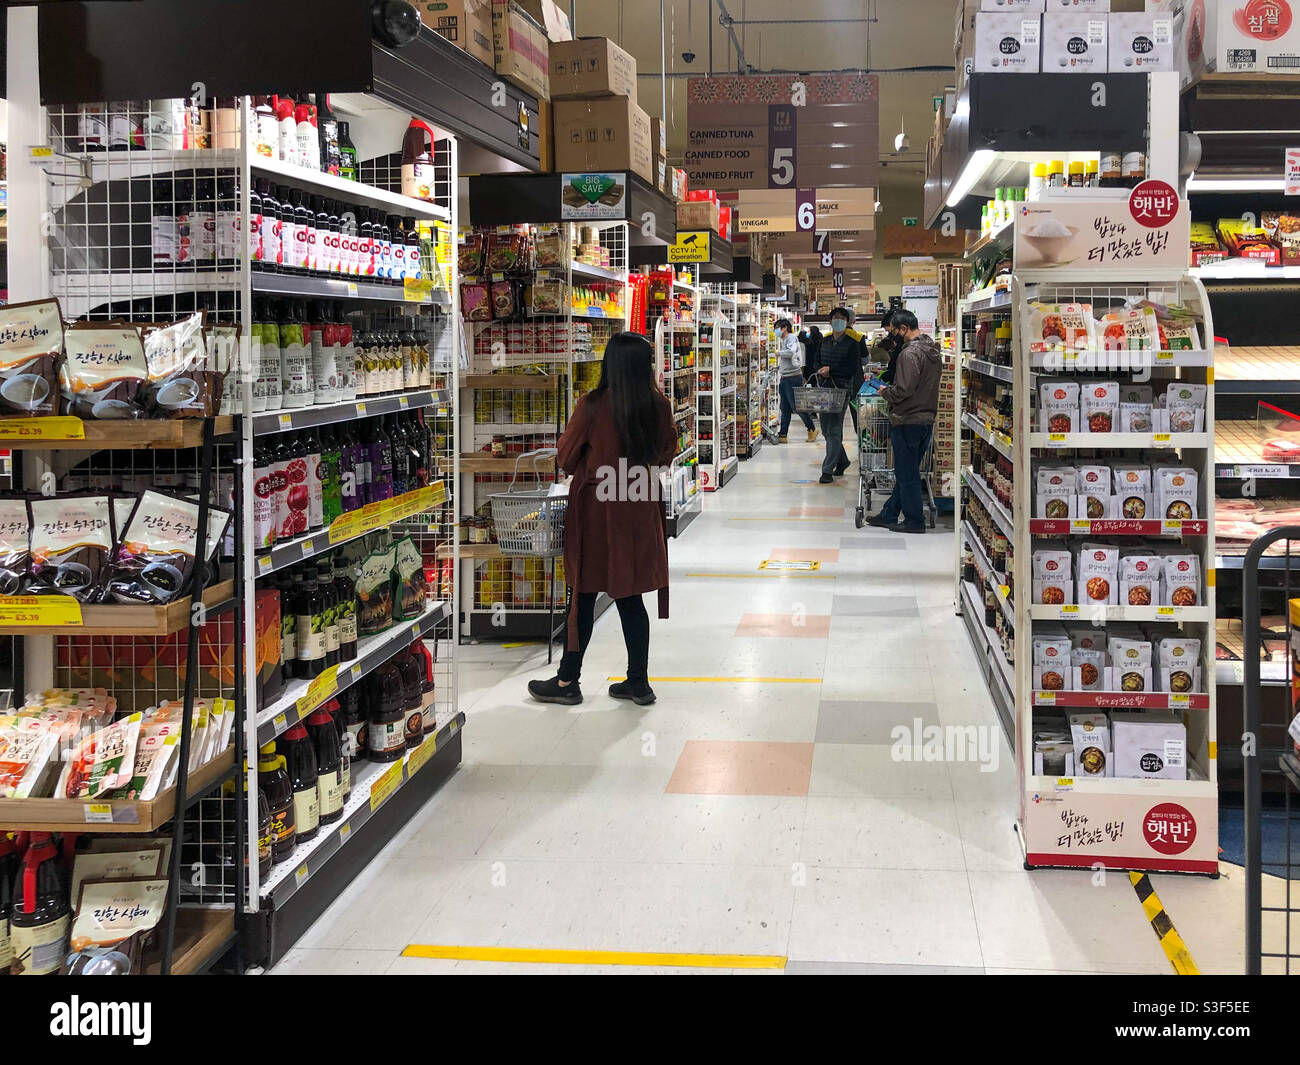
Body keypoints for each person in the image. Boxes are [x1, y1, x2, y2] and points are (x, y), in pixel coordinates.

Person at [527, 332, 678, 707]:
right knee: (630, 596)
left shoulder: (593, 405)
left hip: (598, 507)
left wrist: (593, 468)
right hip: (639, 501)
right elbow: (666, 453)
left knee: (584, 592)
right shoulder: (658, 405)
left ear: (609, 364)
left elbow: (565, 455)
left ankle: (567, 681)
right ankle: (639, 683)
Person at [866, 309, 942, 533]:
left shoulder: (909, 354)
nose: (892, 337)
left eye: (893, 332)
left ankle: (914, 521)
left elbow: (904, 390)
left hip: (908, 418)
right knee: (907, 472)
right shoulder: (932, 351)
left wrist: (885, 391)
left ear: (904, 329)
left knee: (906, 474)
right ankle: (889, 513)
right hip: (926, 418)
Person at [814, 306, 866, 484]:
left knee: (835, 428)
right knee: (826, 428)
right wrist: (819, 369)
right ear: (829, 321)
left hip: (843, 389)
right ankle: (842, 460)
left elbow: (853, 367)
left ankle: (827, 470)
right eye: (835, 318)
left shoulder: (852, 342)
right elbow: (816, 360)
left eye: (842, 319)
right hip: (824, 389)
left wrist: (832, 370)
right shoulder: (825, 341)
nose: (838, 321)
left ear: (847, 322)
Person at [776, 317, 815, 443]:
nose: (775, 331)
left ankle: (812, 429)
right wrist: (778, 366)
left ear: (784, 328)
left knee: (796, 406)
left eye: (777, 328)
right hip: (785, 377)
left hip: (793, 378)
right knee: (785, 407)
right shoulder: (785, 339)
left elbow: (791, 352)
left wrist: (779, 353)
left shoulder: (791, 337)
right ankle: (783, 434)